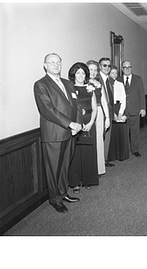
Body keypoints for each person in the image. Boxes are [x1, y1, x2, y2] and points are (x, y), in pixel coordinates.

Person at [33, 53, 82, 213]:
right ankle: (55, 200)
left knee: (64, 166)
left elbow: (75, 104)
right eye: (52, 62)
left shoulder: (68, 83)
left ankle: (62, 193)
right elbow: (48, 110)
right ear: (45, 65)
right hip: (54, 134)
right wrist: (70, 123)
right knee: (53, 168)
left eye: (58, 62)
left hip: (70, 133)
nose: (56, 65)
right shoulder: (41, 85)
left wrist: (77, 124)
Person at [68, 62, 99, 193]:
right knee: (75, 153)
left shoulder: (89, 89)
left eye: (83, 73)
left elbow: (94, 108)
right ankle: (75, 182)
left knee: (88, 152)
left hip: (88, 123)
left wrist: (91, 122)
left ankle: (88, 179)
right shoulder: (68, 88)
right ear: (73, 74)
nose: (80, 75)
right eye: (78, 72)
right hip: (75, 124)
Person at [118, 60, 146, 157]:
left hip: (135, 109)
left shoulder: (138, 79)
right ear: (122, 69)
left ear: (132, 68)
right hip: (122, 111)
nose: (127, 69)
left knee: (135, 132)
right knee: (123, 133)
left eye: (129, 67)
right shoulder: (118, 80)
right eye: (125, 67)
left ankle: (135, 150)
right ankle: (123, 151)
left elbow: (142, 94)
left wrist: (143, 108)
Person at [87, 60, 110, 177]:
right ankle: (90, 169)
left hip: (100, 112)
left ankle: (99, 168)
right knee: (90, 141)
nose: (93, 72)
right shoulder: (82, 82)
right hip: (88, 114)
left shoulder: (99, 83)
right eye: (91, 69)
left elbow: (104, 101)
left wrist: (107, 117)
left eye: (95, 69)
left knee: (99, 140)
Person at [107, 66, 130, 161]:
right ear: (108, 73)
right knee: (112, 133)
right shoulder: (106, 84)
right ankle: (111, 156)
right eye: (112, 73)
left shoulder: (120, 84)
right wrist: (112, 113)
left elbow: (124, 98)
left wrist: (120, 112)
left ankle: (121, 155)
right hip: (110, 108)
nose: (114, 75)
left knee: (121, 131)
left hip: (119, 107)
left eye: (116, 73)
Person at [98, 57, 115, 167]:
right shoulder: (97, 79)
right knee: (100, 137)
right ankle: (99, 162)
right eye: (104, 65)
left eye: (109, 66)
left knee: (107, 136)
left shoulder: (109, 79)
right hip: (99, 111)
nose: (107, 68)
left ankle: (104, 160)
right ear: (100, 66)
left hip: (109, 110)